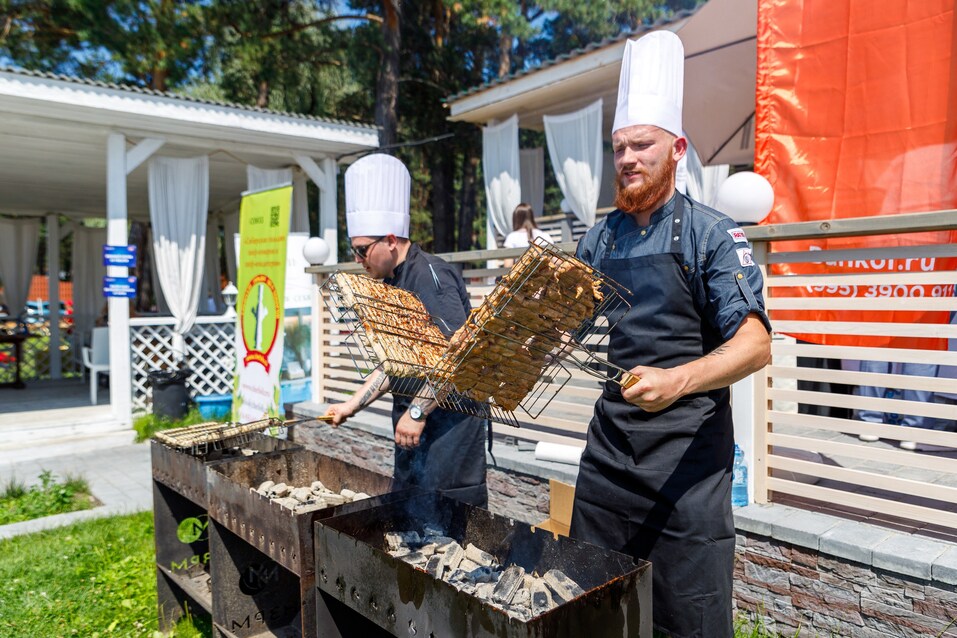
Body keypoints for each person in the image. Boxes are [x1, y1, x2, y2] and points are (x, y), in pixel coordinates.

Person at [567, 31, 772, 638]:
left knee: (690, 621)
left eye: (642, 145)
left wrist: (677, 379)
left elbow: (755, 342)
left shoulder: (711, 234)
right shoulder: (600, 239)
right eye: (619, 147)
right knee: (592, 607)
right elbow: (566, 324)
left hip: (686, 465)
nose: (628, 158)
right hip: (608, 458)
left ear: (676, 148)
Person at [324, 154, 488, 506]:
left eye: (362, 250)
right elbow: (398, 362)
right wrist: (350, 405)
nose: (358, 259)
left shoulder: (432, 278)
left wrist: (417, 412)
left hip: (450, 432)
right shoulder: (392, 282)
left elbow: (459, 355)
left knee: (449, 538)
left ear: (391, 239)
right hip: (417, 430)